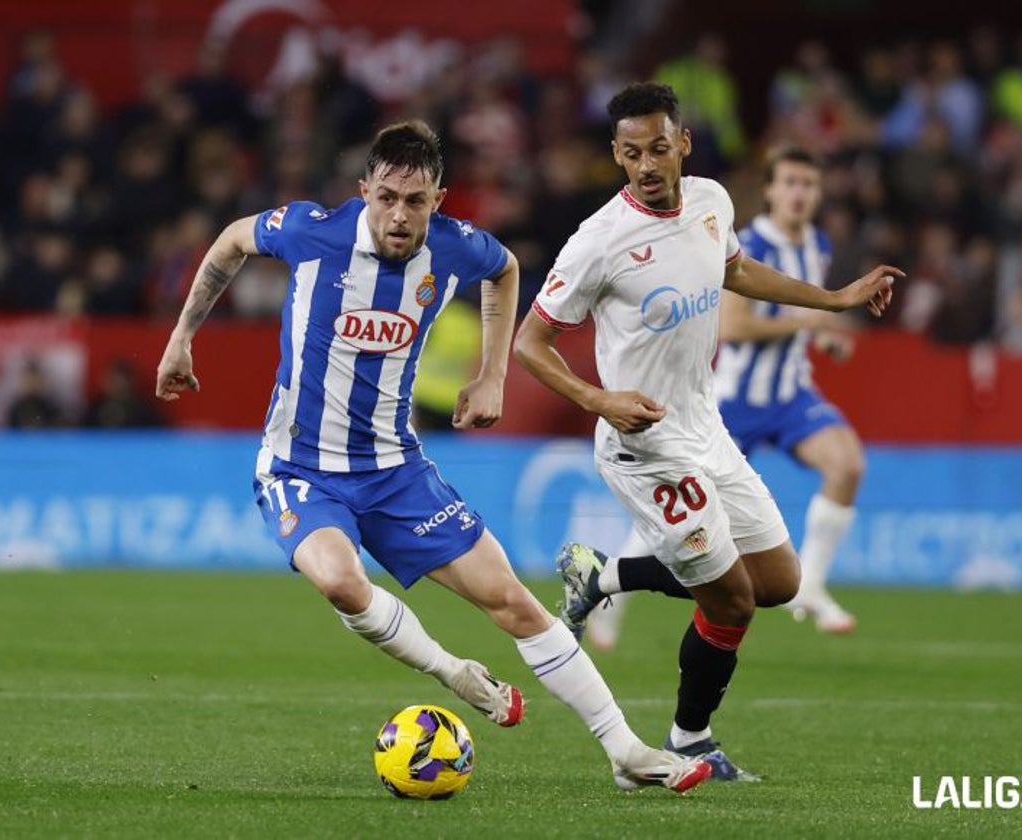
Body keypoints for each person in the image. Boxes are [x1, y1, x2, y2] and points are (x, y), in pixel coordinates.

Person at [155, 121, 709, 793]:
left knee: (514, 602)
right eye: (386, 197)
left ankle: (626, 752)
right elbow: (231, 240)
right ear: (364, 192)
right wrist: (183, 336)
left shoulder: (454, 249)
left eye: (414, 202)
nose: (398, 215)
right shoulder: (313, 232)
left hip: (395, 470)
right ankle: (454, 672)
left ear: (438, 200)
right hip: (300, 468)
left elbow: (505, 270)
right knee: (338, 579)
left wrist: (493, 373)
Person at [512, 84, 897, 781]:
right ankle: (690, 739)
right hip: (643, 446)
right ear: (617, 157)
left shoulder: (713, 201)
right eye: (631, 154)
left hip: (704, 424)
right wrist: (598, 399)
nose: (647, 165)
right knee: (732, 600)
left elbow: (737, 271)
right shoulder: (598, 241)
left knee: (779, 581)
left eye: (659, 148)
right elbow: (531, 342)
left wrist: (833, 298)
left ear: (683, 142)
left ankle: (605, 575)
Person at [585, 146, 864, 646]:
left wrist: (821, 338)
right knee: (671, 525)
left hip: (791, 394)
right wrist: (813, 317)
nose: (800, 194)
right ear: (771, 190)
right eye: (791, 183)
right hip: (729, 401)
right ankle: (610, 594)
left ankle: (813, 586)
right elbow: (734, 327)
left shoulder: (817, 246)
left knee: (846, 465)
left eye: (809, 184)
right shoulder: (743, 236)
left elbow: (793, 322)